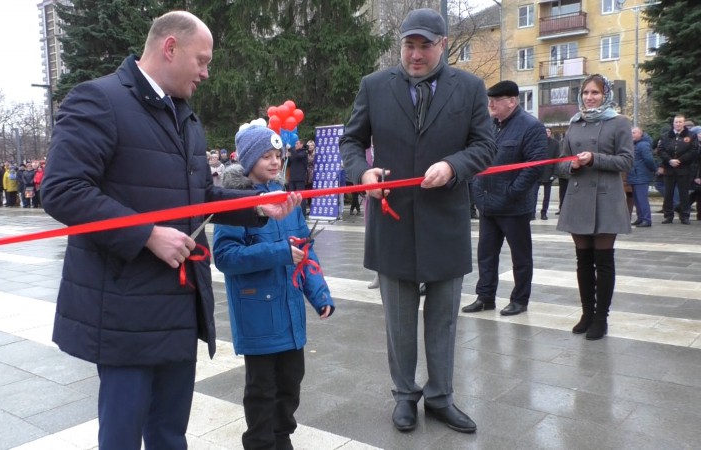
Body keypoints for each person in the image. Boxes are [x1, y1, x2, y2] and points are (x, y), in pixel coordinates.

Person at [40, 11, 300, 450]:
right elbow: (62, 189)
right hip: (125, 308)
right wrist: (146, 234)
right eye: (201, 60)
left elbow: (198, 196)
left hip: (179, 302)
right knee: (122, 435)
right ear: (170, 48)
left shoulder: (185, 116)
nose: (206, 72)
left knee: (169, 432)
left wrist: (257, 206)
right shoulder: (98, 99)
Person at [339, 8, 495, 434]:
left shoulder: (469, 88)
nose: (416, 54)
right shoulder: (374, 86)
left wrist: (454, 165)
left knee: (443, 320)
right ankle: (405, 395)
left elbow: (485, 145)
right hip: (392, 223)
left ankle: (441, 397)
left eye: (425, 45)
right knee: (400, 323)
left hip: (445, 221)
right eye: (409, 45)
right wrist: (362, 174)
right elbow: (351, 141)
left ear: (443, 44)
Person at [213, 123, 334, 450]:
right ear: (249, 158)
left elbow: (305, 252)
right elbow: (225, 257)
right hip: (258, 315)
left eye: (278, 155)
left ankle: (282, 439)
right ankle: (260, 444)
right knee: (262, 390)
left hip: (291, 314)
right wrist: (278, 253)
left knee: (290, 385)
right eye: (265, 155)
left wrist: (319, 294)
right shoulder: (235, 202)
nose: (274, 161)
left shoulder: (287, 198)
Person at [554, 74, 633, 341]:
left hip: (606, 199)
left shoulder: (619, 123)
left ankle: (601, 318)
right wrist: (571, 165)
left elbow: (626, 161)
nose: (589, 97)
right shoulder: (575, 123)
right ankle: (587, 313)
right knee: (583, 261)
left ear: (605, 95)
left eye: (595, 93)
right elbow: (560, 163)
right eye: (586, 93)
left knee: (604, 261)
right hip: (577, 199)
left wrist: (593, 159)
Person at [463, 80, 546, 317]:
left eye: (495, 101)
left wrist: (512, 192)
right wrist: (478, 189)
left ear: (512, 101)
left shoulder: (531, 127)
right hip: (488, 203)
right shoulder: (489, 125)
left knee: (520, 257)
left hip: (514, 206)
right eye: (489, 101)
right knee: (486, 255)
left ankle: (520, 299)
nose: (491, 106)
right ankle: (485, 297)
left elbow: (534, 167)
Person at [657, 114, 698, 224]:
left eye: (680, 122)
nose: (678, 124)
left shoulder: (691, 135)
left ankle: (684, 216)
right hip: (669, 168)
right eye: (676, 122)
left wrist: (680, 160)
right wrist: (670, 160)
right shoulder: (665, 136)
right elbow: (660, 150)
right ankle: (668, 215)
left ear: (684, 123)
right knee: (668, 193)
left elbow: (693, 151)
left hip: (684, 169)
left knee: (684, 194)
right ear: (673, 123)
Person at [629, 127, 656, 227]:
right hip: (634, 175)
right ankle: (640, 218)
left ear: (641, 134)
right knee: (637, 199)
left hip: (641, 176)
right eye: (631, 133)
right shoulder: (635, 144)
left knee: (642, 199)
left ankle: (646, 219)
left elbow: (649, 160)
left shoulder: (643, 145)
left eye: (634, 133)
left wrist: (654, 169)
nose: (632, 134)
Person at [535, 128, 560, 220]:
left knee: (547, 195)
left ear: (551, 133)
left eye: (548, 131)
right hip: (537, 172)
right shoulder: (536, 142)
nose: (547, 133)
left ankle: (544, 212)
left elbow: (557, 159)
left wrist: (554, 174)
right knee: (533, 194)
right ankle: (532, 212)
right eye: (545, 131)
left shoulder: (555, 143)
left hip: (549, 172)